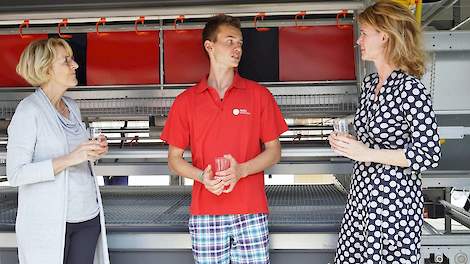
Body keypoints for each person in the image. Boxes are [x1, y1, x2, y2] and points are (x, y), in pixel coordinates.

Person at [161, 14, 288, 264]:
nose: (237, 48)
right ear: (210, 46)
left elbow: (274, 151)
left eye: (239, 42)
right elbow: (174, 160)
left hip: (251, 211)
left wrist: (241, 170)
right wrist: (202, 177)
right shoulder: (186, 102)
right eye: (229, 41)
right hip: (205, 212)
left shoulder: (259, 95)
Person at [329, 1, 441, 263]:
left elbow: (428, 155)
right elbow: (371, 144)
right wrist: (351, 144)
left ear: (385, 36)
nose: (359, 40)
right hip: (361, 200)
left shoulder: (411, 89)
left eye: (365, 33)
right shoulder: (369, 85)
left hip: (395, 208)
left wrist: (366, 152)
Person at [7, 38, 109, 264]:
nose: (75, 65)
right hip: (50, 221)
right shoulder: (28, 111)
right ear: (46, 69)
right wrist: (70, 158)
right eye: (66, 61)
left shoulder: (72, 106)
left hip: (87, 216)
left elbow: (78, 156)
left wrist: (93, 150)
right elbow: (15, 174)